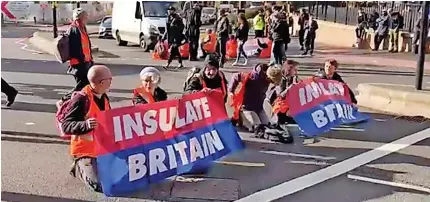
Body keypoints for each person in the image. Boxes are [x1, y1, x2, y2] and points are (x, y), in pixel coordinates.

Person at [62, 65, 113, 192]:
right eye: (110, 79)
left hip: (102, 148)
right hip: (85, 151)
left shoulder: (103, 96)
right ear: (101, 83)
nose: (111, 81)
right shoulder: (81, 99)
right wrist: (85, 125)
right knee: (98, 184)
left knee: (124, 176)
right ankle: (78, 167)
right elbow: (65, 125)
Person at [229, 64, 282, 132]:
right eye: (273, 81)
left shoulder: (267, 78)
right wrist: (231, 91)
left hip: (259, 107)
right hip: (246, 107)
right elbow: (235, 76)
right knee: (257, 127)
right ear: (269, 77)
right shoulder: (252, 77)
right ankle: (241, 118)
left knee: (267, 125)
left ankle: (249, 120)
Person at [60, 8, 93, 105]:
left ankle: (80, 102)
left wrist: (90, 60)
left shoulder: (82, 28)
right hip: (78, 63)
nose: (87, 18)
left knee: (85, 84)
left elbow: (86, 45)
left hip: (85, 62)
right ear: (80, 17)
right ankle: (65, 100)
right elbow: (74, 47)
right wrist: (82, 60)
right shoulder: (74, 29)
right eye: (85, 16)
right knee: (82, 85)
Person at [267, 60, 300, 125]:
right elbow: (280, 96)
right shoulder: (281, 79)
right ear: (289, 69)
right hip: (279, 108)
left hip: (288, 107)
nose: (296, 72)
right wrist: (291, 87)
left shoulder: (293, 78)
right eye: (295, 69)